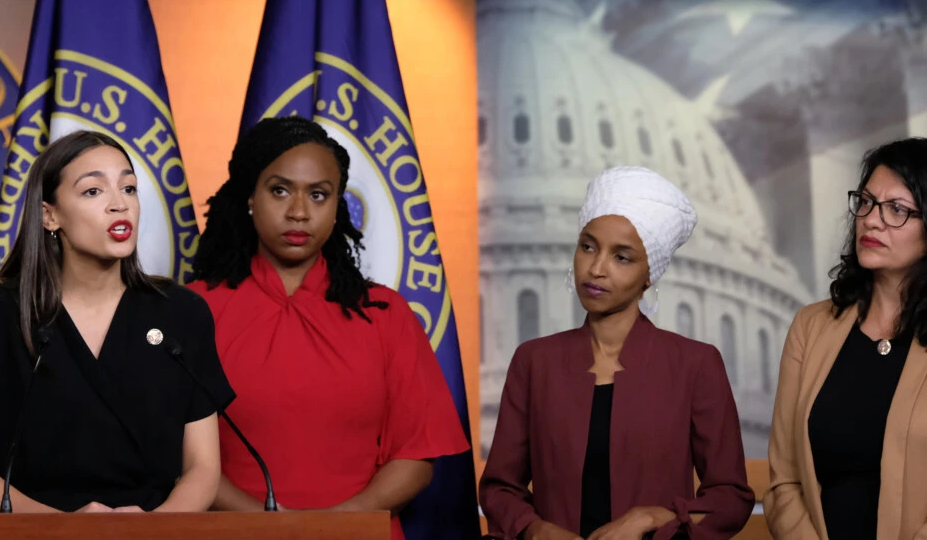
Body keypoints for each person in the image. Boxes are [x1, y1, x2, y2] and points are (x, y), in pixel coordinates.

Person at [188, 116, 469, 539]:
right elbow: (176, 454)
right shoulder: (194, 311)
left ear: (338, 206)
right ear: (249, 197)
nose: (299, 212)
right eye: (279, 190)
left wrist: (331, 526)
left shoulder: (385, 314)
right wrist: (264, 526)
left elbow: (415, 459)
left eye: (319, 195)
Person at [0, 130, 233, 513]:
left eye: (129, 188)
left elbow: (203, 469)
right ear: (49, 215)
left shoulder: (181, 312)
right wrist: (67, 532)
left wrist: (151, 531)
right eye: (93, 191)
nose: (118, 205)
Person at [480, 166, 754, 540]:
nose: (596, 269)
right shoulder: (534, 362)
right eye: (588, 246)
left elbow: (730, 496)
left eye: (621, 257)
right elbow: (499, 487)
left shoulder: (695, 364)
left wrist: (653, 517)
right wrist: (534, 529)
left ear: (649, 275)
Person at [765, 138, 927, 540]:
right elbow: (784, 481)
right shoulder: (811, 326)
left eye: (897, 210)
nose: (872, 220)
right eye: (867, 202)